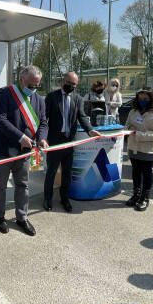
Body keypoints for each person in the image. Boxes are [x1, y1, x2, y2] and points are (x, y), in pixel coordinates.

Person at [0, 65, 48, 236]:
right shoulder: (4, 94)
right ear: (21, 80)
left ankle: (22, 217)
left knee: (22, 185)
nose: (34, 89)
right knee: (0, 185)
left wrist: (42, 138)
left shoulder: (39, 100)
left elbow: (43, 123)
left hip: (25, 152)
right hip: (3, 150)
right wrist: (21, 138)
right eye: (31, 86)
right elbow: (0, 120)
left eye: (37, 86)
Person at [43, 72, 101, 212]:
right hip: (55, 141)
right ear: (63, 80)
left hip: (69, 142)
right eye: (69, 83)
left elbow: (82, 117)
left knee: (67, 173)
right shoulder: (52, 97)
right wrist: (42, 137)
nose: (71, 86)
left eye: (74, 84)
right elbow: (44, 119)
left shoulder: (78, 99)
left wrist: (90, 130)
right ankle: (47, 199)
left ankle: (65, 199)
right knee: (51, 172)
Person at [124, 88, 153, 211]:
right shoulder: (133, 111)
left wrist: (139, 134)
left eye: (145, 99)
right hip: (133, 147)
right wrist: (127, 128)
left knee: (147, 173)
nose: (142, 101)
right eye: (140, 98)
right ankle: (136, 195)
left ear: (151, 99)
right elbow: (126, 125)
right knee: (136, 172)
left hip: (147, 149)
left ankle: (144, 197)